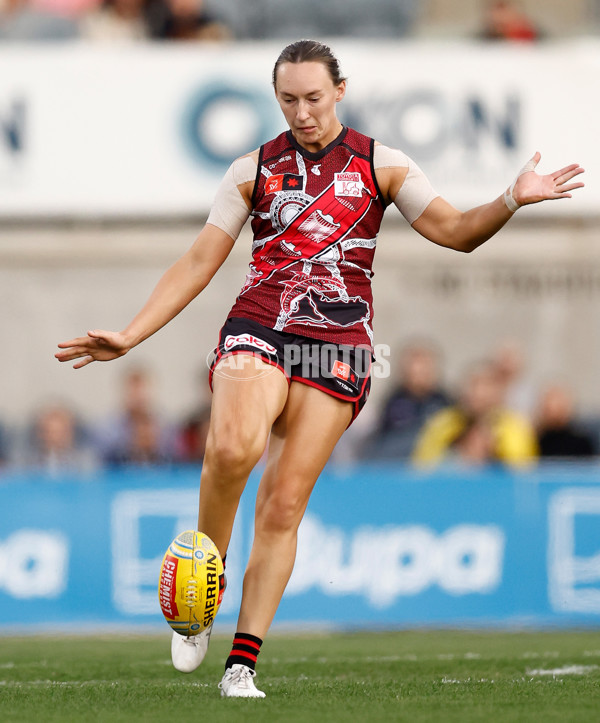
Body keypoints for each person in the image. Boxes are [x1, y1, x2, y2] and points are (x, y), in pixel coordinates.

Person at [55, 39, 584, 697]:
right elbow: (199, 261)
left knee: (282, 504)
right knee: (232, 447)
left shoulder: (382, 164)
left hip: (338, 342)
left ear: (339, 89)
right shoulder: (251, 169)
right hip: (261, 320)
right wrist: (132, 333)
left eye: (312, 97)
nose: (301, 112)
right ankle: (200, 591)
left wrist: (510, 198)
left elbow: (455, 230)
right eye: (287, 100)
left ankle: (241, 663)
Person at [412, 359, 539, 469]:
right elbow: (423, 468)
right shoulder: (442, 423)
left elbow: (523, 471)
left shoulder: (515, 426)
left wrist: (494, 450)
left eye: (486, 385)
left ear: (499, 390)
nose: (478, 392)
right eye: (473, 384)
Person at [362, 339, 452, 460]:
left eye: (424, 366)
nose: (418, 372)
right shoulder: (394, 400)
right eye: (414, 366)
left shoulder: (444, 403)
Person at [535, 383, 596, 459]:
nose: (555, 410)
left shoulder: (581, 443)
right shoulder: (538, 442)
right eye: (550, 405)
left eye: (559, 405)